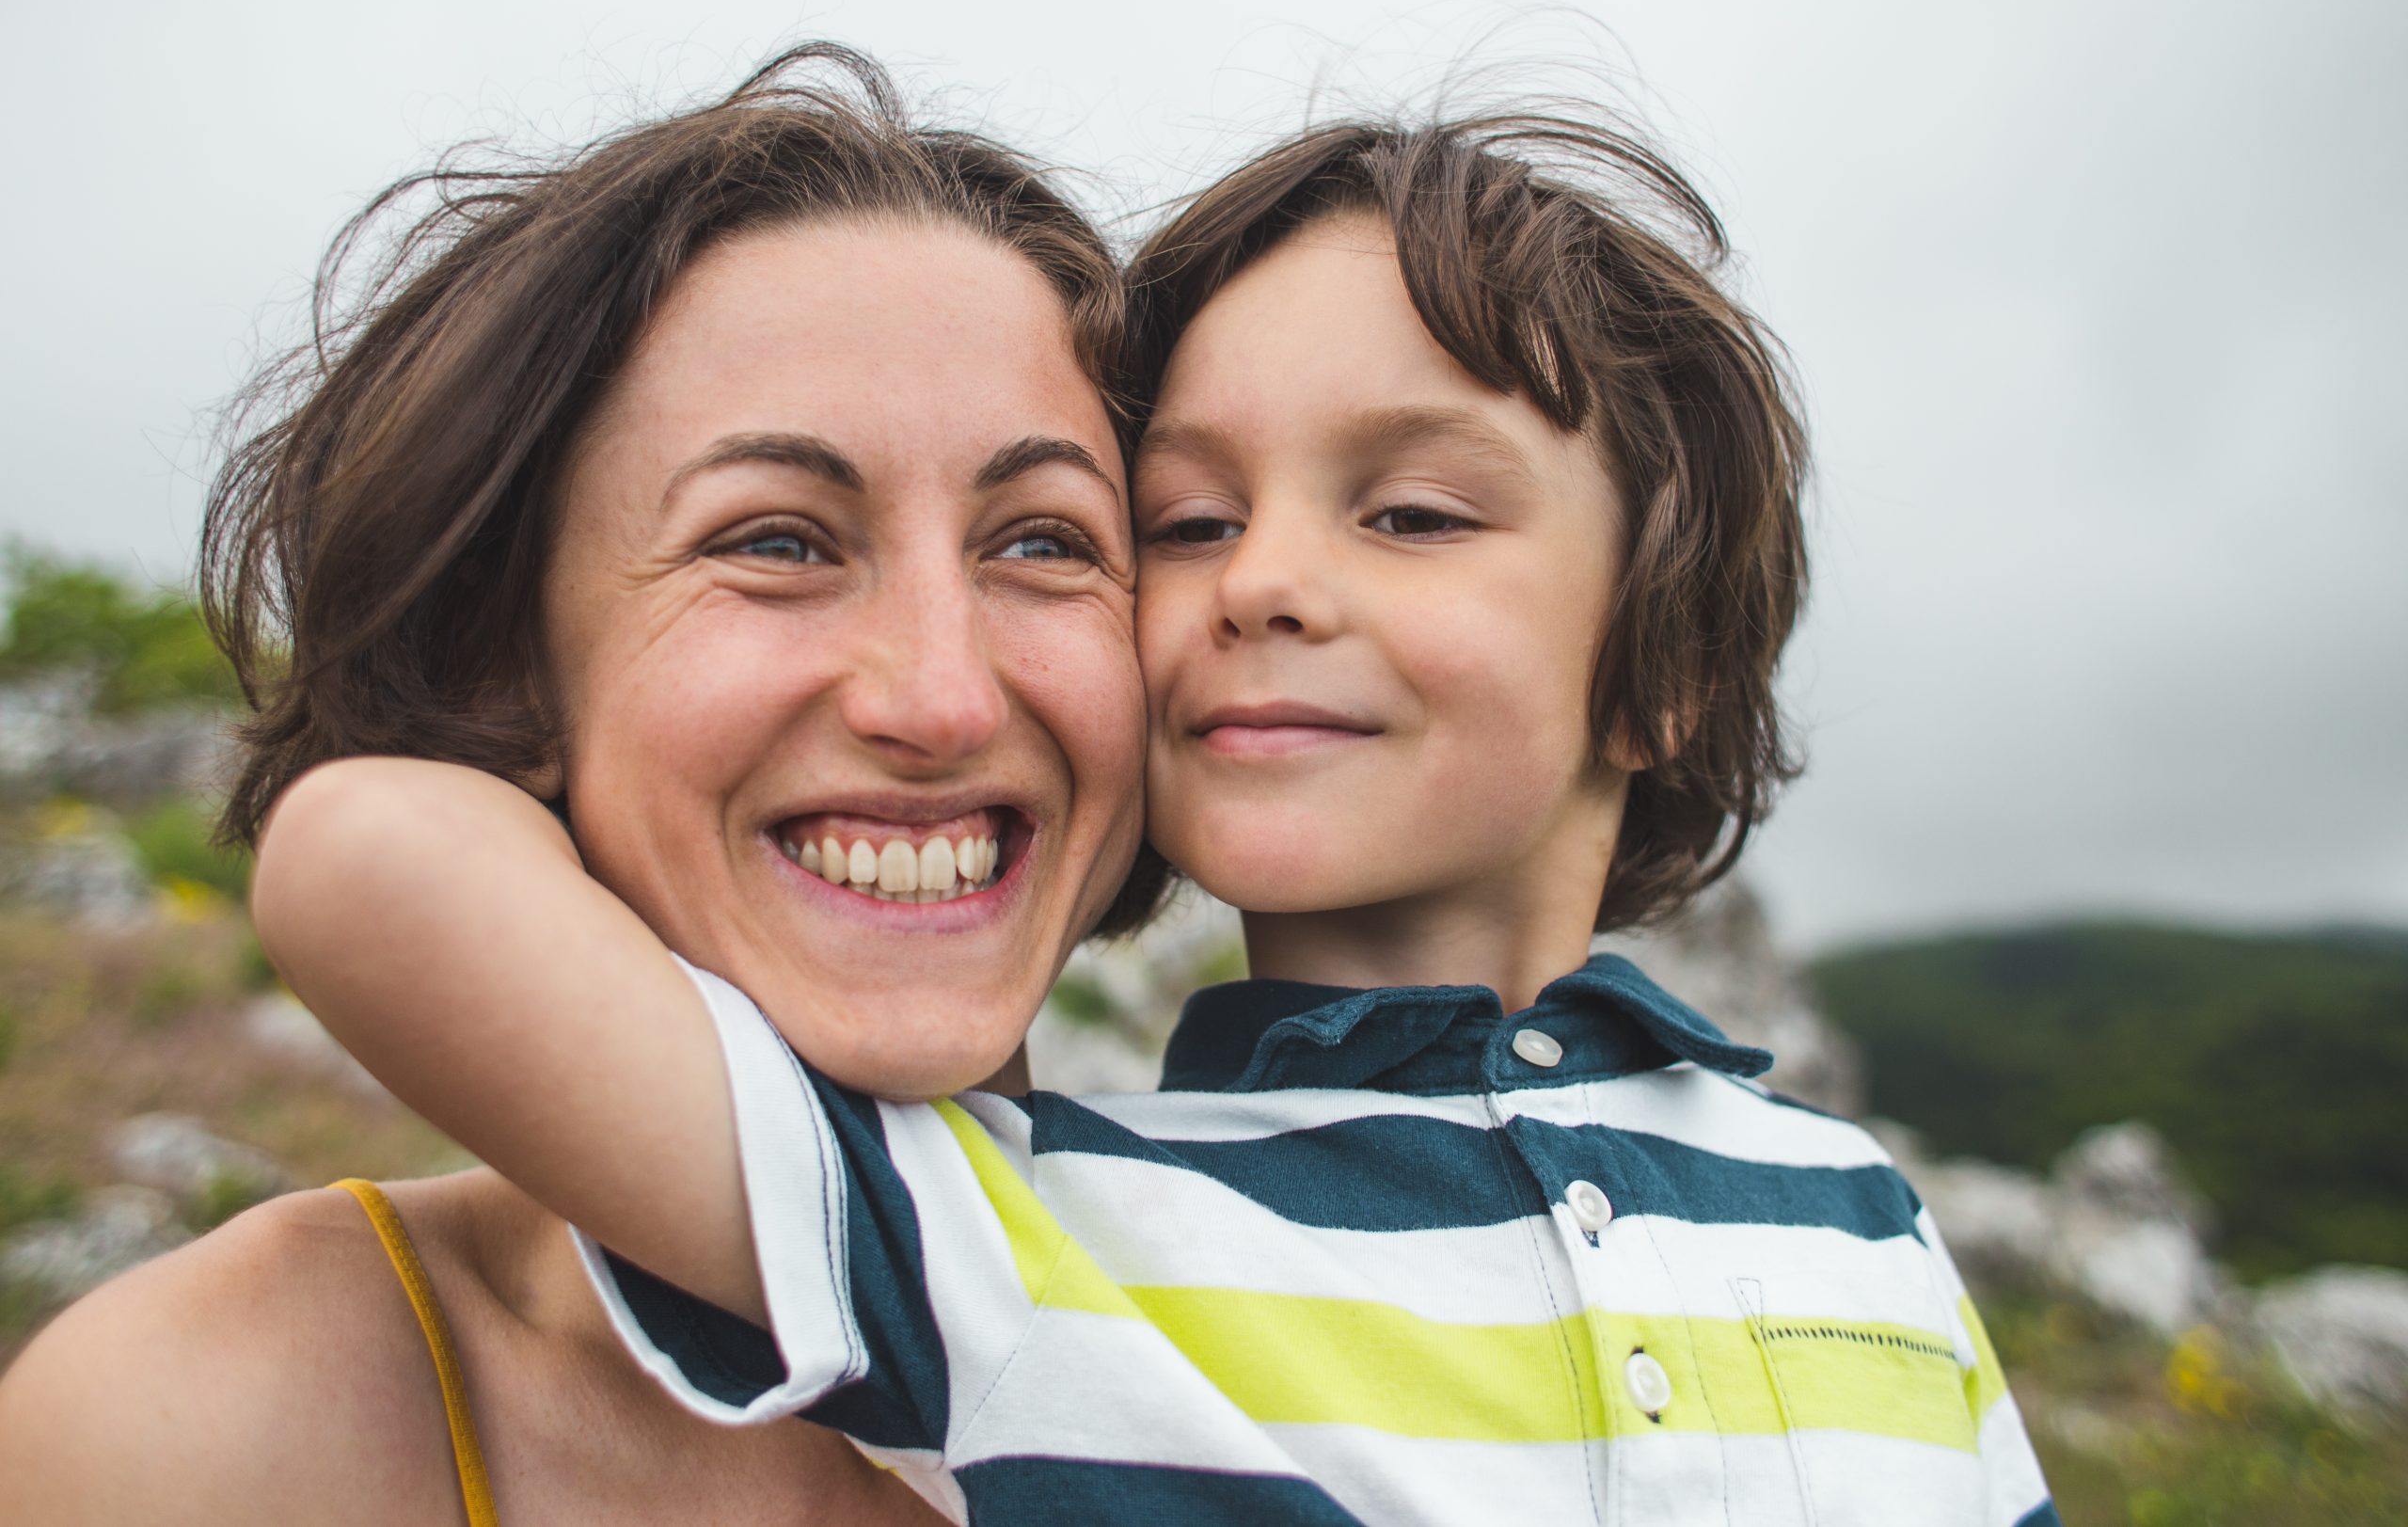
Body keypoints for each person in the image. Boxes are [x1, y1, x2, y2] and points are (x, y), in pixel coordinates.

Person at [229, 110, 2059, 1524]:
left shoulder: (1857, 1209)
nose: (1260, 579)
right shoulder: (1040, 1230)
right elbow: (360, 850)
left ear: (1655, 664)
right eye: (1178, 523)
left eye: (1410, 512)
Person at [0, 43, 1160, 1526]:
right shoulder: (210, 1432)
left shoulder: (1379, 1313)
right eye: (780, 542)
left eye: (1045, 542)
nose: (939, 697)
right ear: (508, 675)